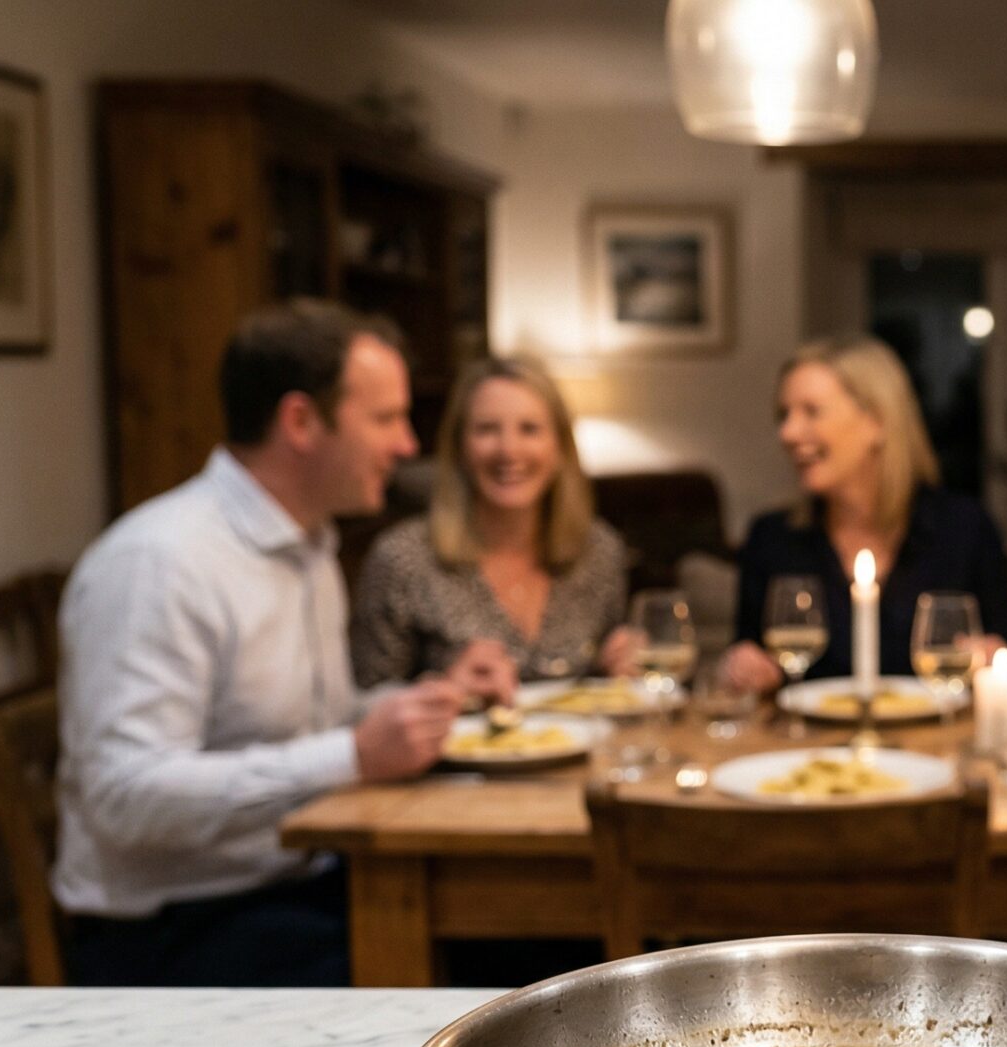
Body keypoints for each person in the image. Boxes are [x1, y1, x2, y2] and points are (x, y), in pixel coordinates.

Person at [56, 301, 509, 986]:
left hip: (291, 884)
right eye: (384, 418)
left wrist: (429, 700)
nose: (408, 444)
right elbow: (124, 795)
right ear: (300, 421)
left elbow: (297, 725)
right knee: (475, 973)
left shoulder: (308, 545)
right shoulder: (161, 561)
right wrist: (354, 755)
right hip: (173, 929)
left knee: (517, 935)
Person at [720, 336, 1007, 691]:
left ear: (876, 422)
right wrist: (742, 669)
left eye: (811, 412)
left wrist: (996, 662)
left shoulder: (965, 530)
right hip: (812, 744)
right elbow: (747, 660)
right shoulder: (771, 539)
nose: (788, 432)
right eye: (784, 415)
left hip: (934, 742)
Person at [352, 355, 634, 691]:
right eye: (487, 430)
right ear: (458, 448)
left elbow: (599, 687)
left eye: (529, 429)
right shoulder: (401, 560)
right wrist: (447, 689)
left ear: (560, 448)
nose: (508, 450)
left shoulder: (599, 551)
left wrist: (618, 664)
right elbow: (365, 704)